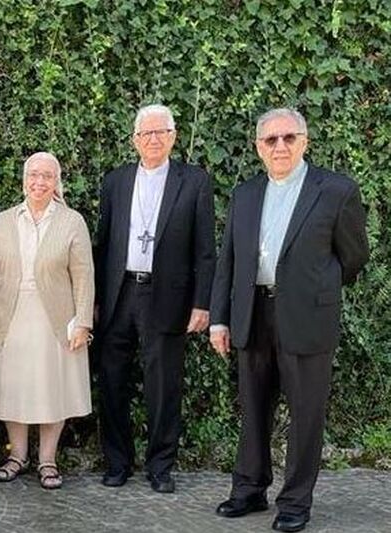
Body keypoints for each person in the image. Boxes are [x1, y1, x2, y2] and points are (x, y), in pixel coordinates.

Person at [210, 108, 368, 532]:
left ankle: (295, 504)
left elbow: (353, 257)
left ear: (305, 141)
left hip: (306, 318)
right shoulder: (245, 194)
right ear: (258, 148)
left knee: (306, 413)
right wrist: (219, 320)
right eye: (270, 140)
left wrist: (315, 289)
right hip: (252, 314)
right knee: (253, 407)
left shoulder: (335, 190)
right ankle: (249, 489)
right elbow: (228, 261)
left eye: (288, 138)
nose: (280, 146)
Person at [94, 104, 215, 493]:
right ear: (134, 140)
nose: (153, 139)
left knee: (163, 385)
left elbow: (205, 251)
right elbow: (103, 243)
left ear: (173, 136)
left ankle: (161, 466)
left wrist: (202, 303)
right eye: (146, 134)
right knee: (113, 380)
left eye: (161, 132)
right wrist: (95, 299)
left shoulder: (194, 182)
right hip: (119, 294)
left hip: (167, 297)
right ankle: (117, 462)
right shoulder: (115, 182)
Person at [0, 151, 94, 490]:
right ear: (24, 180)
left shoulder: (72, 222)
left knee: (54, 390)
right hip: (8, 316)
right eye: (33, 175)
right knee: (14, 389)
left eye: (47, 176)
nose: (39, 182)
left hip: (55, 320)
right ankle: (17, 455)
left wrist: (83, 321)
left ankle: (48, 460)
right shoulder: (4, 220)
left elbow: (84, 276)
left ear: (57, 182)